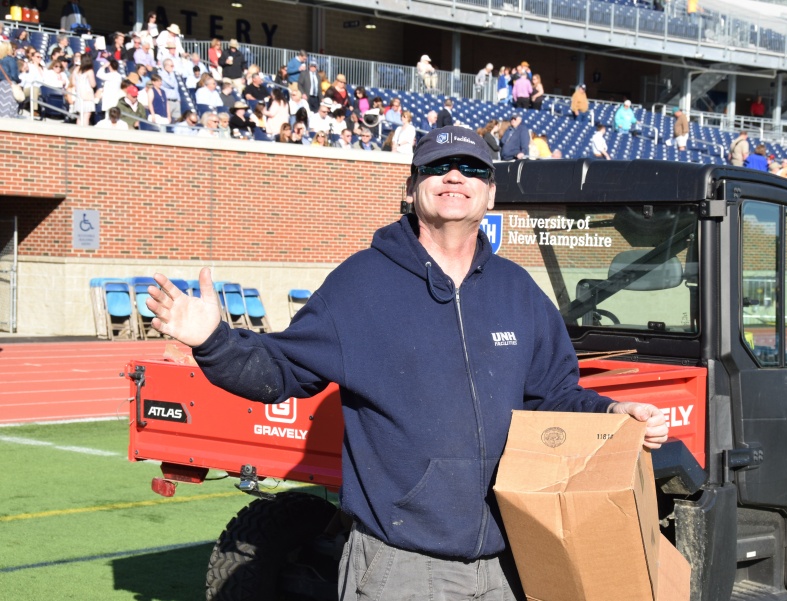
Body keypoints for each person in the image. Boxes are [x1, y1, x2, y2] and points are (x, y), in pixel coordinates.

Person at [145, 126, 667, 601]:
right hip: (401, 569)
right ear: (412, 187)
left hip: (508, 564)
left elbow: (552, 395)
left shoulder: (518, 291)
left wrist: (611, 413)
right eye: (438, 167)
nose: (455, 176)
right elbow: (280, 371)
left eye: (472, 168)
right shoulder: (361, 284)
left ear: (490, 194)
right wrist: (212, 340)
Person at [71, 54, 96, 127]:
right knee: (86, 115)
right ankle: (84, 131)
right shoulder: (89, 71)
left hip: (79, 95)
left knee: (80, 116)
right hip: (87, 95)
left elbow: (73, 82)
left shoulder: (76, 70)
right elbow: (93, 84)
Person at [0, 41, 20, 119]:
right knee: (9, 104)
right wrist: (18, 81)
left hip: (1, 84)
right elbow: (14, 75)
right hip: (9, 84)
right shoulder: (10, 59)